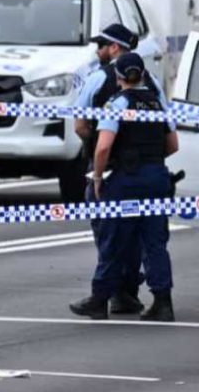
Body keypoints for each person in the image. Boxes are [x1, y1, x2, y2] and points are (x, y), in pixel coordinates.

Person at [69, 52, 178, 321]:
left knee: (113, 239)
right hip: (156, 177)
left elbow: (104, 145)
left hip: (126, 179)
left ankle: (100, 299)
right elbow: (173, 145)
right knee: (154, 242)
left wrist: (96, 177)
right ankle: (163, 303)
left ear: (118, 77)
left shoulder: (117, 104)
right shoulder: (156, 104)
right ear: (142, 75)